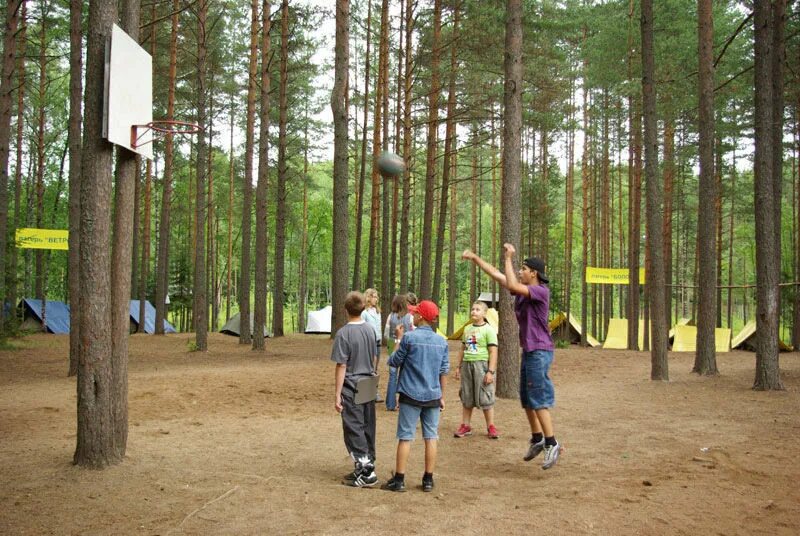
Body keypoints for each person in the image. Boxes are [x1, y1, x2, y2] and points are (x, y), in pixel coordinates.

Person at [462, 245, 560, 470]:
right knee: (526, 399)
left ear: (533, 273)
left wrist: (509, 258)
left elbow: (512, 282)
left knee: (537, 399)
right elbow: (498, 275)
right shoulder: (523, 291)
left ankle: (551, 443)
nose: (519, 271)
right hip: (529, 350)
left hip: (540, 350)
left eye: (523, 269)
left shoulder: (540, 291)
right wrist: (476, 258)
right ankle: (537, 439)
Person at [381, 300, 449, 492]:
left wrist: (398, 340)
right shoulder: (441, 341)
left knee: (405, 437)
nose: (413, 316)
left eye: (415, 313)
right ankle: (428, 479)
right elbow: (444, 371)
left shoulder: (409, 339)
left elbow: (393, 361)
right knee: (431, 437)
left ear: (421, 317)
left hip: (410, 394)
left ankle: (399, 479)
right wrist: (442, 396)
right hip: (433, 395)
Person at [332, 291, 379, 487]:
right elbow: (375, 355)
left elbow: (341, 365)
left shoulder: (343, 334)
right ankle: (365, 464)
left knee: (353, 426)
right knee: (367, 424)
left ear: (345, 311)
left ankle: (366, 470)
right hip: (369, 382)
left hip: (352, 385)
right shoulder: (370, 329)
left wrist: (337, 394)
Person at [453, 300, 500, 439]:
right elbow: (462, 349)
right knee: (467, 395)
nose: (474, 311)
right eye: (473, 309)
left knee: (485, 396)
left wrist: (490, 371)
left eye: (478, 309)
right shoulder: (467, 329)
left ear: (484, 313)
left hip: (482, 366)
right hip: (468, 365)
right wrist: (458, 366)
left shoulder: (488, 330)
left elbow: (493, 352)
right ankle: (466, 426)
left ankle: (491, 426)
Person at [383, 294, 413, 411]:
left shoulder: (390, 316)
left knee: (392, 376)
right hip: (405, 345)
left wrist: (393, 338)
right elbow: (413, 332)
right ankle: (403, 402)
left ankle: (390, 404)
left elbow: (386, 334)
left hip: (392, 345)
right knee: (405, 375)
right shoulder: (410, 317)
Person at [361, 288, 383, 402]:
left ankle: (374, 392)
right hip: (369, 343)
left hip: (378, 342)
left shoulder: (377, 311)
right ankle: (369, 393)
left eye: (377, 297)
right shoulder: (364, 313)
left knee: (375, 368)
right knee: (369, 368)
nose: (376, 299)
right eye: (374, 296)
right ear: (368, 297)